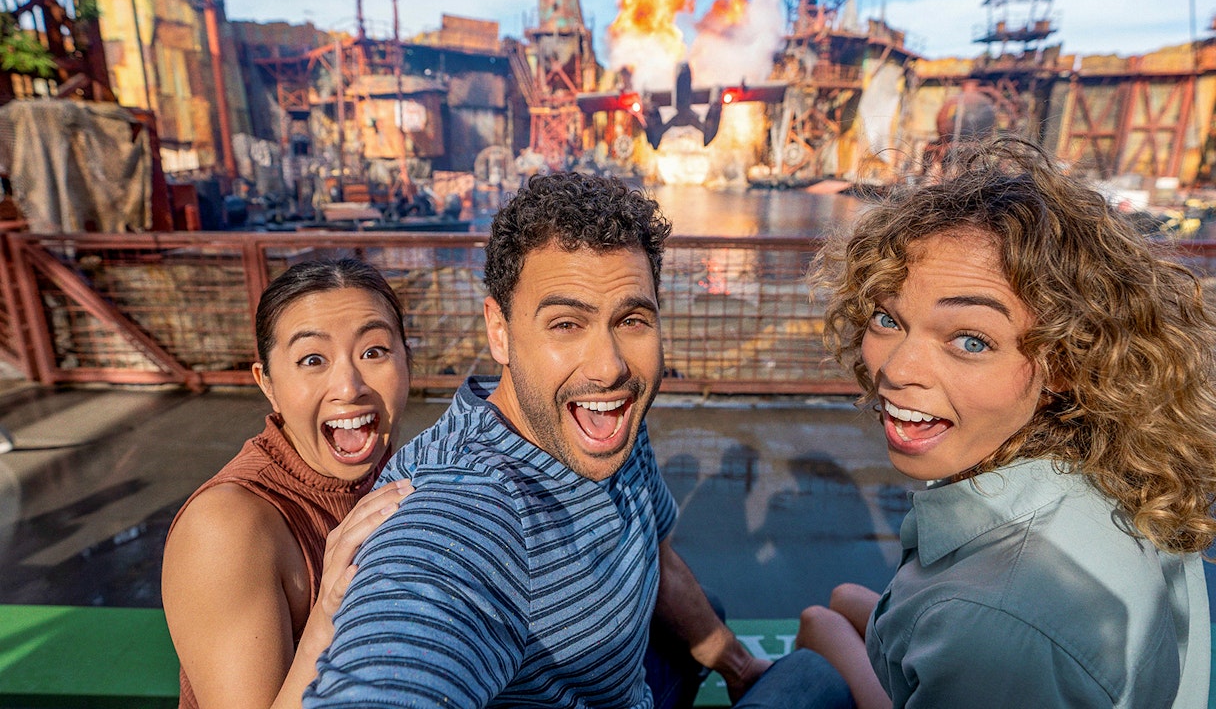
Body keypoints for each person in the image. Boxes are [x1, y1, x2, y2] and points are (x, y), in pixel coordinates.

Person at [304, 172, 853, 708]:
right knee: (812, 676)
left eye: (631, 320)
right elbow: (404, 646)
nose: (609, 368)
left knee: (708, 610)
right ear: (500, 331)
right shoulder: (465, 509)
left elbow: (653, 555)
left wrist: (738, 667)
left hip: (624, 683)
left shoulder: (605, 424)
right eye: (566, 324)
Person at [797, 139, 1215, 708]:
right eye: (886, 317)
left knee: (817, 634)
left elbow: (993, 635)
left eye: (971, 340)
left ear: (1066, 360)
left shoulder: (996, 623)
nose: (896, 369)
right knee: (843, 600)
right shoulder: (1124, 473)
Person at [162, 258, 415, 709]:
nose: (349, 385)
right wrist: (328, 613)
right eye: (312, 359)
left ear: (407, 361)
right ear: (269, 384)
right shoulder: (226, 527)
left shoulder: (400, 473)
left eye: (374, 351)